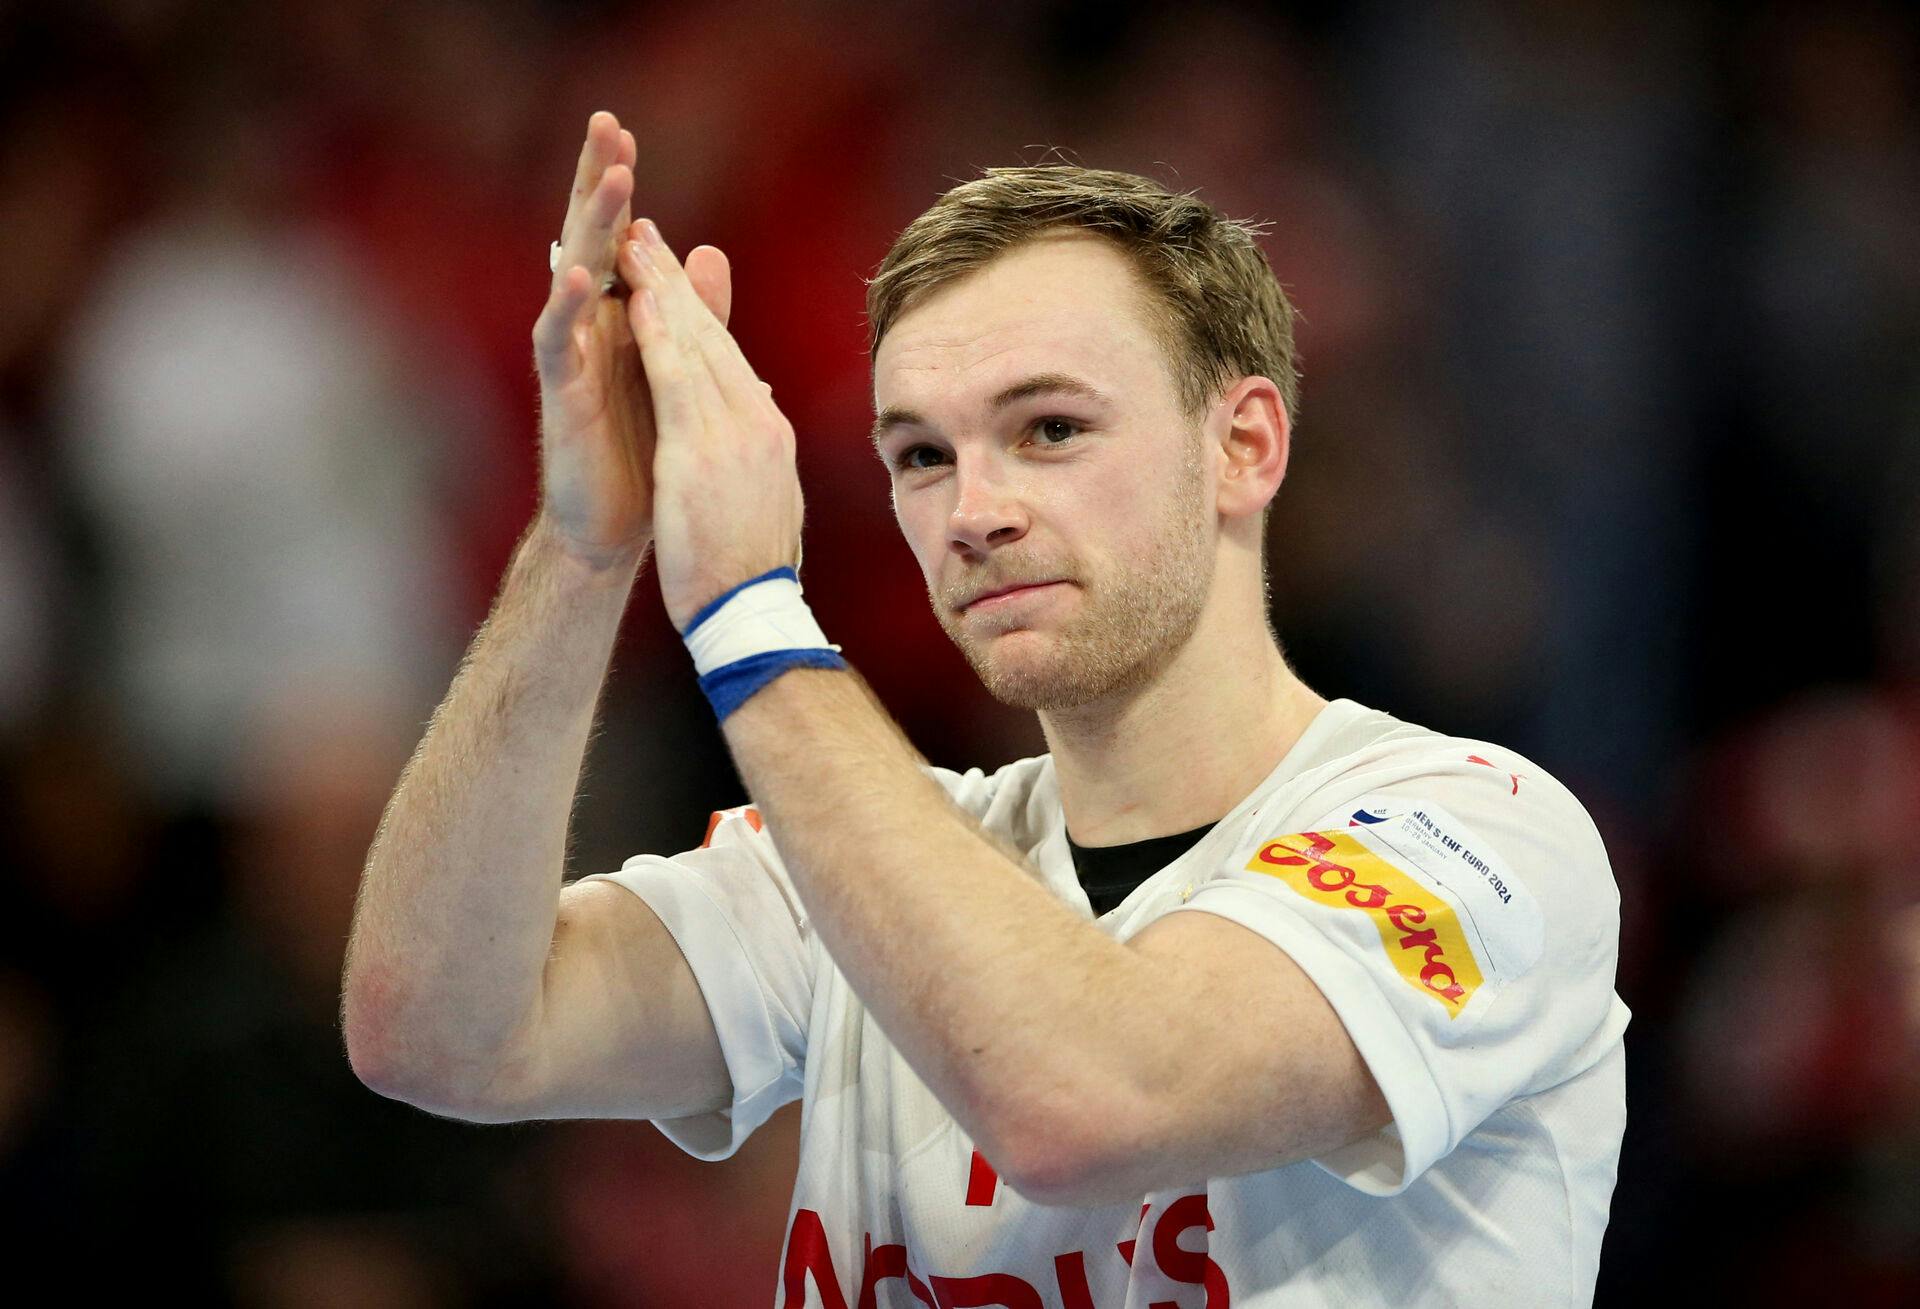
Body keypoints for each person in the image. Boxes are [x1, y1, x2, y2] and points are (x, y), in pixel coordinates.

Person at [343, 111, 1629, 1306]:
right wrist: (585, 552)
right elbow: (438, 1034)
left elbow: (1087, 1097)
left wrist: (750, 613)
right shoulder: (850, 867)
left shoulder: (1484, 837)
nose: (974, 513)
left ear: (1243, 446)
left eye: (1052, 428)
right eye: (921, 455)